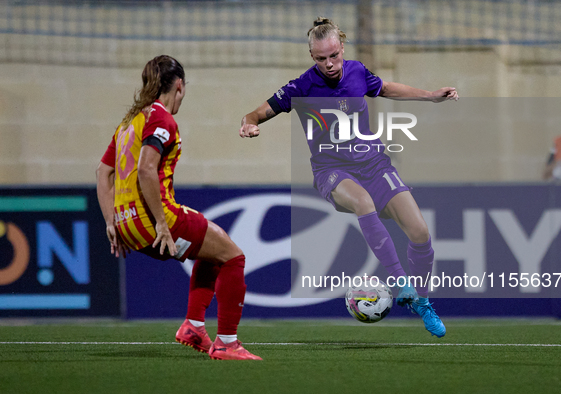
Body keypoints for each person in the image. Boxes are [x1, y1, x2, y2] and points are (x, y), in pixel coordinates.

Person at [239, 18, 459, 338]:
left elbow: (384, 88)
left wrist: (429, 95)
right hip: (332, 172)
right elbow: (258, 112)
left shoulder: (357, 71)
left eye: (333, 56)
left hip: (374, 165)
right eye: (320, 58)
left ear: (342, 47)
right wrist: (248, 123)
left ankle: (421, 301)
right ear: (312, 56)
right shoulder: (301, 87)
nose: (328, 64)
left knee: (421, 232)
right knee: (363, 202)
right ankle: (400, 282)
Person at [96, 55, 261, 360]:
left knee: (214, 249)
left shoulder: (128, 123)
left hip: (125, 224)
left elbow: (102, 172)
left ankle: (194, 326)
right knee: (234, 258)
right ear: (180, 86)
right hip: (154, 219)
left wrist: (111, 222)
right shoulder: (160, 118)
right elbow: (147, 169)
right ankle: (227, 343)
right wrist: (161, 222)